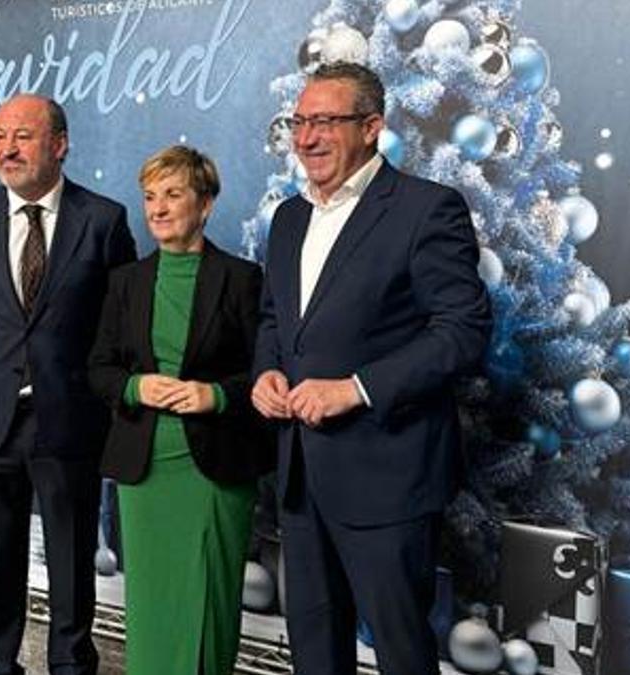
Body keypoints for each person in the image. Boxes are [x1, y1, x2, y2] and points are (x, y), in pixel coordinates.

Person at [250, 63, 492, 674]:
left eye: (324, 122)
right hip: (301, 475)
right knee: (314, 651)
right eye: (298, 122)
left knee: (402, 652)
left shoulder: (425, 208)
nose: (305, 139)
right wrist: (266, 374)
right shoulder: (288, 219)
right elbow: (274, 320)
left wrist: (356, 389)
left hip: (388, 477)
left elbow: (462, 332)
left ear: (372, 128)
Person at [0, 93, 137, 675]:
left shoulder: (103, 220)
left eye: (23, 136)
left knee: (72, 551)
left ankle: (71, 663)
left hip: (69, 416)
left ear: (59, 144)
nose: (8, 148)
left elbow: (119, 317)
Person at [88, 145, 275, 674]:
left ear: (206, 204)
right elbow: (99, 368)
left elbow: (267, 372)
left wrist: (212, 395)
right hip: (145, 472)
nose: (158, 208)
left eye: (173, 194)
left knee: (209, 606)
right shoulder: (126, 282)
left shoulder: (242, 279)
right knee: (151, 609)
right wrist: (134, 389)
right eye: (150, 196)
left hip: (214, 470)